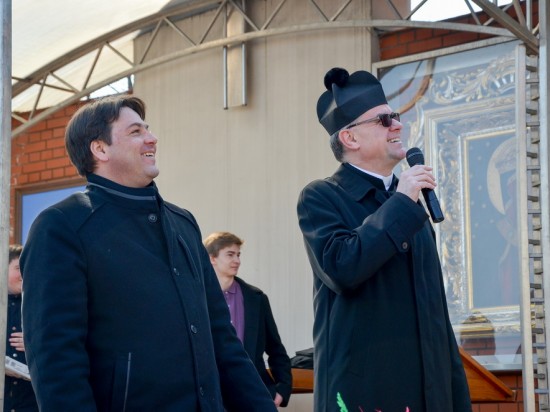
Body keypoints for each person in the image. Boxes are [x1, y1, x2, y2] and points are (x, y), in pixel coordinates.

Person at [20, 95, 277, 412]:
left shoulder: (183, 223)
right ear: (100, 149)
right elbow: (56, 360)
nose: (151, 138)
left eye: (148, 129)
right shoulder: (62, 226)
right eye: (135, 132)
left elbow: (221, 338)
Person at [296, 67, 472, 412]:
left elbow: (435, 312)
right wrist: (402, 201)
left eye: (396, 117)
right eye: (384, 120)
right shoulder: (321, 197)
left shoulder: (409, 204)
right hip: (367, 391)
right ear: (350, 138)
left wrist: (455, 394)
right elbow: (342, 268)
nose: (397, 126)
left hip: (429, 392)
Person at [203, 232, 292, 408]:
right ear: (212, 258)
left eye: (238, 255)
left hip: (252, 392)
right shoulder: (197, 298)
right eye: (230, 254)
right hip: (211, 393)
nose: (237, 260)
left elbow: (275, 348)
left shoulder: (256, 298)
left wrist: (282, 389)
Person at [5, 244, 39, 412]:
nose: (24, 273)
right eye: (18, 268)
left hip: (29, 401)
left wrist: (35, 345)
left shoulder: (38, 307)